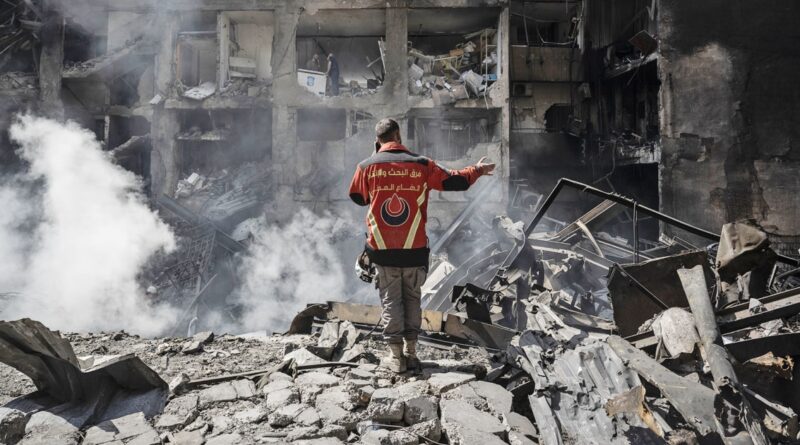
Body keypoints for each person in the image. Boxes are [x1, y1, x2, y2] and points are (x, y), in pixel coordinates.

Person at [348, 118, 495, 373]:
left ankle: (396, 358)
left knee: (391, 301)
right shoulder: (422, 164)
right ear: (399, 135)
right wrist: (478, 170)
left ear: (378, 140)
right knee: (412, 300)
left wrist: (375, 160)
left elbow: (358, 198)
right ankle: (412, 354)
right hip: (414, 250)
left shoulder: (366, 166)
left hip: (382, 251)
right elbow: (455, 181)